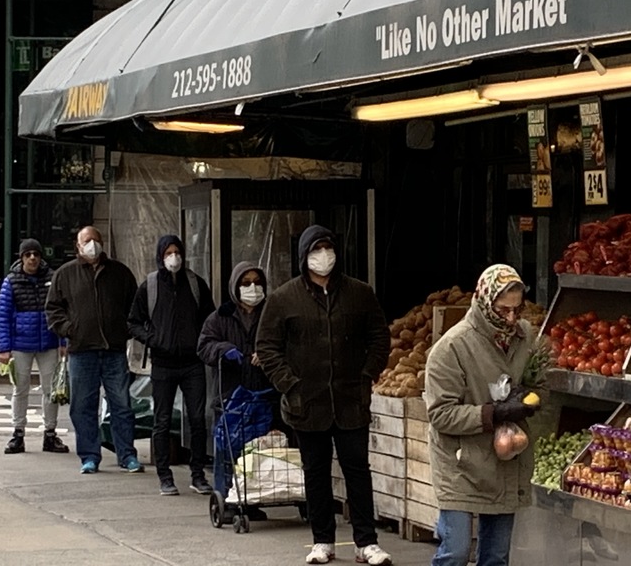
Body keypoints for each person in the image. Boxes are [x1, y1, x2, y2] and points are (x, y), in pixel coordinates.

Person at [256, 225, 392, 566]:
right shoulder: (283, 298)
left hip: (350, 400)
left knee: (357, 470)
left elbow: (379, 337)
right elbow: (267, 347)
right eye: (316, 249)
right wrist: (290, 383)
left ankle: (366, 541)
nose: (323, 256)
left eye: (328, 248)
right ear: (304, 256)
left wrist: (367, 375)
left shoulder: (360, 293)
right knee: (315, 472)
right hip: (306, 402)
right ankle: (322, 540)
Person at [423, 264, 537, 566]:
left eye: (517, 309)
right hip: (459, 461)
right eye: (503, 310)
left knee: (497, 556)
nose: (511, 318)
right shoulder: (451, 347)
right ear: (486, 302)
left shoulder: (525, 337)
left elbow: (540, 381)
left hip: (505, 457)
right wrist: (493, 413)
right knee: (456, 551)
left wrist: (529, 400)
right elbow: (441, 414)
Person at [45, 225, 142, 475]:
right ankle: (89, 456)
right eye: (87, 241)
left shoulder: (120, 273)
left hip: (113, 350)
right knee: (83, 406)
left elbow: (135, 307)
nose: (93, 244)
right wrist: (69, 329)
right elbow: (53, 309)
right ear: (78, 246)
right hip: (81, 351)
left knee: (121, 404)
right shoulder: (65, 274)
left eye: (96, 240)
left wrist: (125, 331)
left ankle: (127, 455)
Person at [128, 234, 215, 496]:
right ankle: (165, 476)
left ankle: (198, 474)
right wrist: (153, 339)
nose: (173, 257)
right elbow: (133, 321)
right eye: (168, 252)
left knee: (197, 419)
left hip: (192, 362)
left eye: (177, 252)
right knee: (162, 421)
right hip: (163, 363)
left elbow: (209, 318)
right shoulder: (150, 286)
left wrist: (200, 341)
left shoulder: (195, 284)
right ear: (160, 256)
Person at [197, 261, 279, 517]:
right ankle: (229, 502)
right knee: (227, 452)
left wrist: (267, 355)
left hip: (263, 395)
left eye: (257, 282)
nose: (252, 288)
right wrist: (224, 350)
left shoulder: (272, 314)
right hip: (229, 397)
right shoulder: (220, 317)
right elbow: (204, 347)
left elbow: (286, 343)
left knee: (257, 453)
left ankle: (252, 500)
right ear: (235, 286)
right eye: (246, 283)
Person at [0, 238, 69, 455]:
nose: (32, 258)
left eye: (36, 254)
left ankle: (50, 433)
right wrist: (3, 348)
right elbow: (2, 316)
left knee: (51, 390)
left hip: (48, 342)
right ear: (22, 258)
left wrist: (63, 342)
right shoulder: (11, 281)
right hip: (20, 344)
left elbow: (62, 311)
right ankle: (18, 433)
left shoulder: (52, 279)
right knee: (20, 390)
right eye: (28, 255)